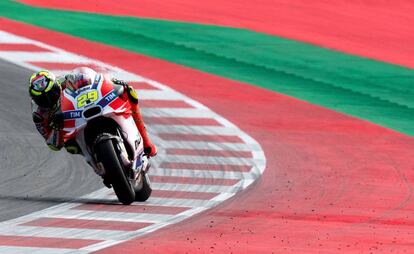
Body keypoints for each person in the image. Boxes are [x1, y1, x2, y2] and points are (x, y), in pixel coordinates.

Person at [28, 67, 157, 157]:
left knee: (130, 93)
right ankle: (96, 160)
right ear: (35, 99)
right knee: (72, 147)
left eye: (52, 94)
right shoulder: (39, 116)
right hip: (72, 129)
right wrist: (57, 129)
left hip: (84, 110)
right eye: (42, 100)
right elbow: (53, 145)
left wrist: (112, 82)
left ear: (56, 85)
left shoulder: (66, 81)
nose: (48, 100)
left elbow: (94, 80)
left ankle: (146, 141)